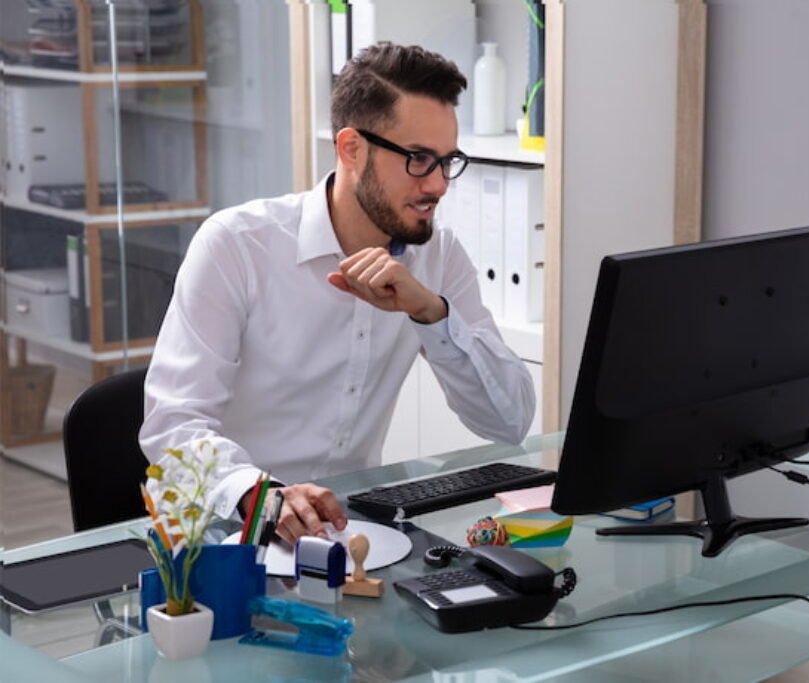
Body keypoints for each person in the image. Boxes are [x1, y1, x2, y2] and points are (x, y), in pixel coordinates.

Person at [140, 43, 536, 544]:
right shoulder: (237, 245)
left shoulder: (439, 256)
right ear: (352, 148)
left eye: (447, 161)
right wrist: (261, 495)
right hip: (224, 538)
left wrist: (431, 313)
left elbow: (509, 421)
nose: (439, 185)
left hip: (352, 539)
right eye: (418, 159)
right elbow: (172, 425)